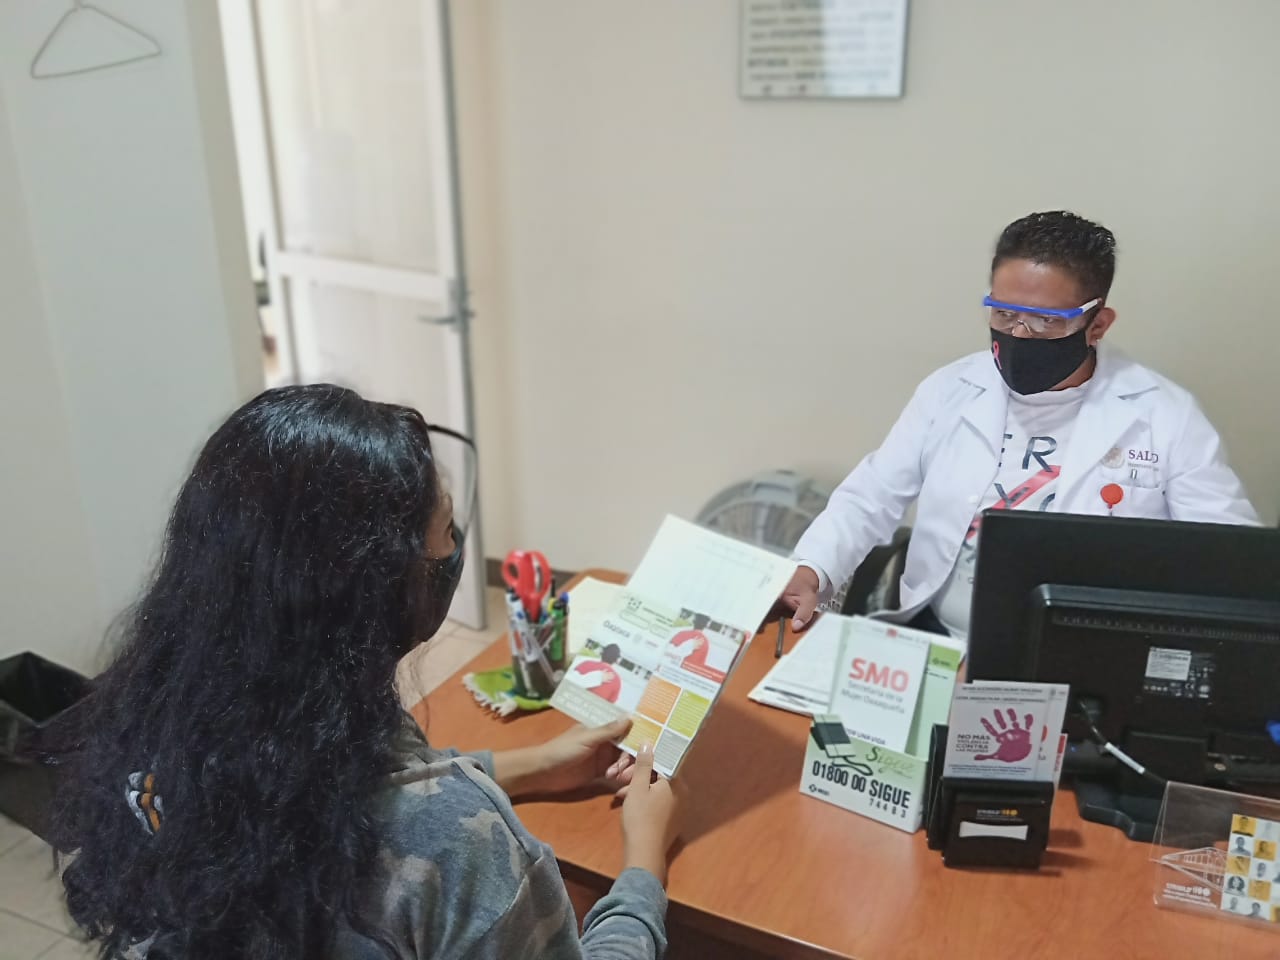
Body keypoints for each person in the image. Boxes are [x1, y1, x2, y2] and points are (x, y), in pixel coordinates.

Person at [41, 386, 683, 960]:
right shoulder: (456, 847)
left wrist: (533, 766)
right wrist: (643, 867)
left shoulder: (153, 732)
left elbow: (317, 780)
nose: (455, 545)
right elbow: (401, 815)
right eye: (445, 528)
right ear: (378, 587)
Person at [781, 211, 1259, 642]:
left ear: (1097, 325)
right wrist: (813, 568)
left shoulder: (1165, 416)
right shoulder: (951, 389)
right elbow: (872, 496)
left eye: (1045, 321)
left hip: (1073, 655)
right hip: (935, 636)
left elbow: (1230, 558)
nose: (1018, 334)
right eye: (1004, 313)